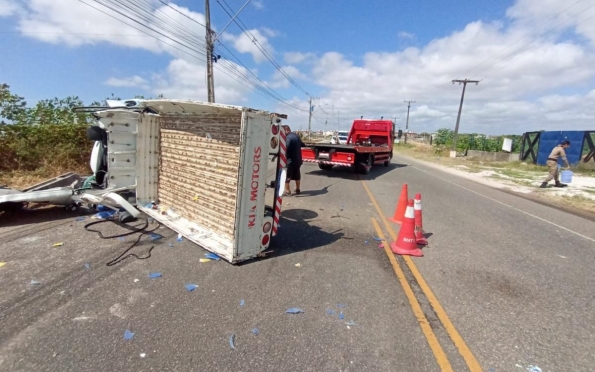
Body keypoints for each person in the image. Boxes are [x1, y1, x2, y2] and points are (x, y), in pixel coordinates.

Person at [284, 126, 305, 195]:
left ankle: (287, 191)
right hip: (298, 160)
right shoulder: (296, 136)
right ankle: (297, 189)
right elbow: (302, 144)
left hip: (290, 161)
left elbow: (287, 148)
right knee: (297, 175)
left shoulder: (288, 138)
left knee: (287, 176)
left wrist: (284, 156)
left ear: (287, 130)